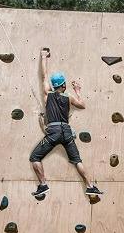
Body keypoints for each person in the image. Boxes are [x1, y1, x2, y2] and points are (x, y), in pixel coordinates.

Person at [32, 47, 98, 200]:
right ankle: (90, 186)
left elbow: (44, 76)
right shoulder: (68, 97)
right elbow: (82, 105)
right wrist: (78, 91)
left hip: (53, 132)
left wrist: (44, 57)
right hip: (66, 132)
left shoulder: (48, 95)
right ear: (64, 85)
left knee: (35, 157)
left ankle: (43, 184)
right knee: (77, 161)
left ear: (54, 86)